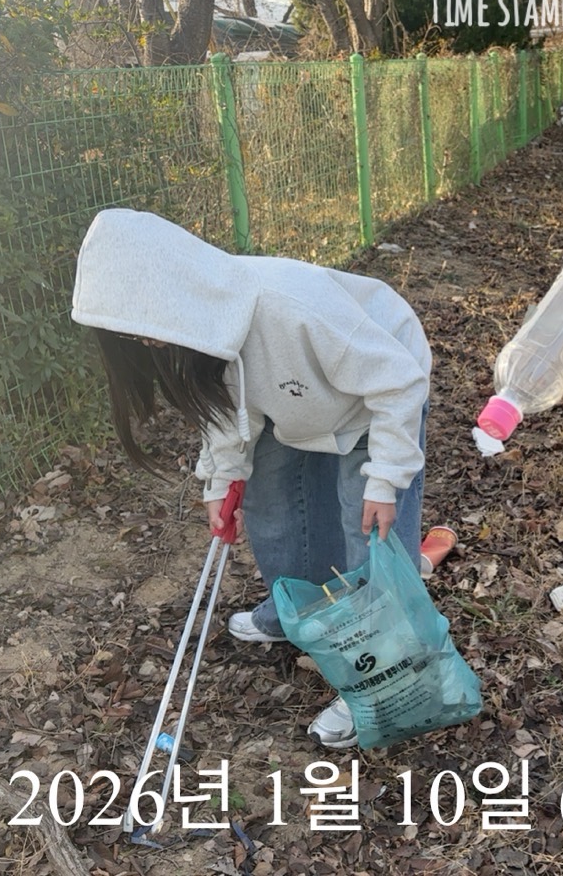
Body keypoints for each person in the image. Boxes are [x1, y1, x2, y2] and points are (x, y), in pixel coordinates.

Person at [71, 207, 431, 750]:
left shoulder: (289, 307)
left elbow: (397, 381)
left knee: (369, 536)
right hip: (294, 406)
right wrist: (222, 481)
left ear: (172, 287)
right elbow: (226, 409)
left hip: (372, 403)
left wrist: (385, 479)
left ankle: (384, 677)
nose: (144, 344)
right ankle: (304, 611)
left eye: (141, 329)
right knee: (272, 504)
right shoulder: (197, 328)